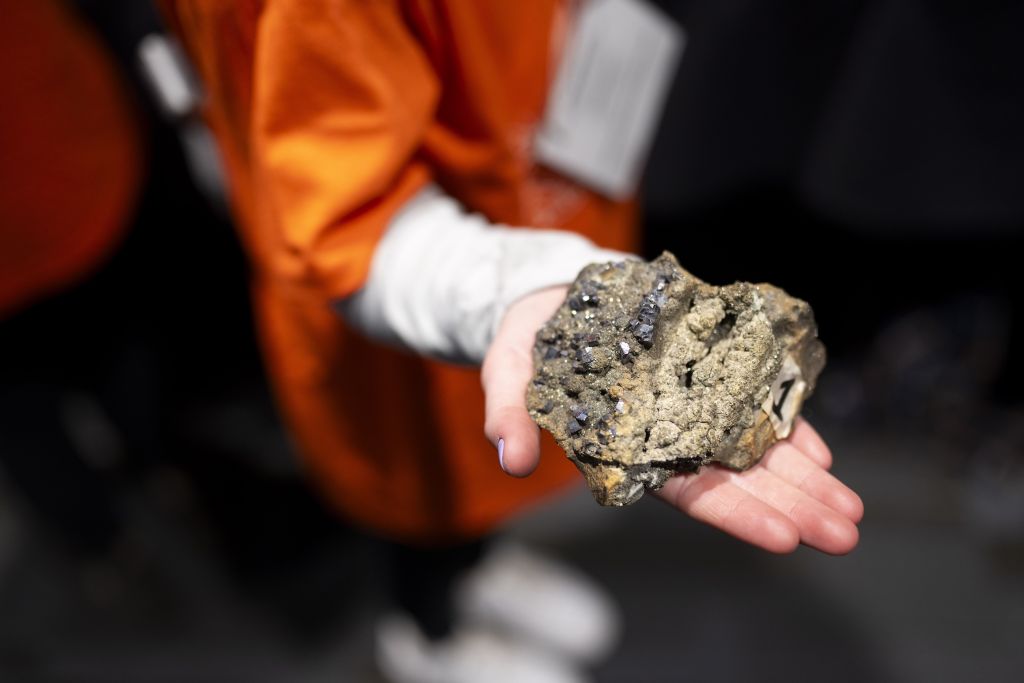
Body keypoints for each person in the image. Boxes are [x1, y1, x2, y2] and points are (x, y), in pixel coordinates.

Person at [160, 3, 862, 681]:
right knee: (424, 492)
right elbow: (344, 222)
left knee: (491, 473)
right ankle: (431, 633)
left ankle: (480, 566)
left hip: (547, 177)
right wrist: (525, 286)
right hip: (416, 306)